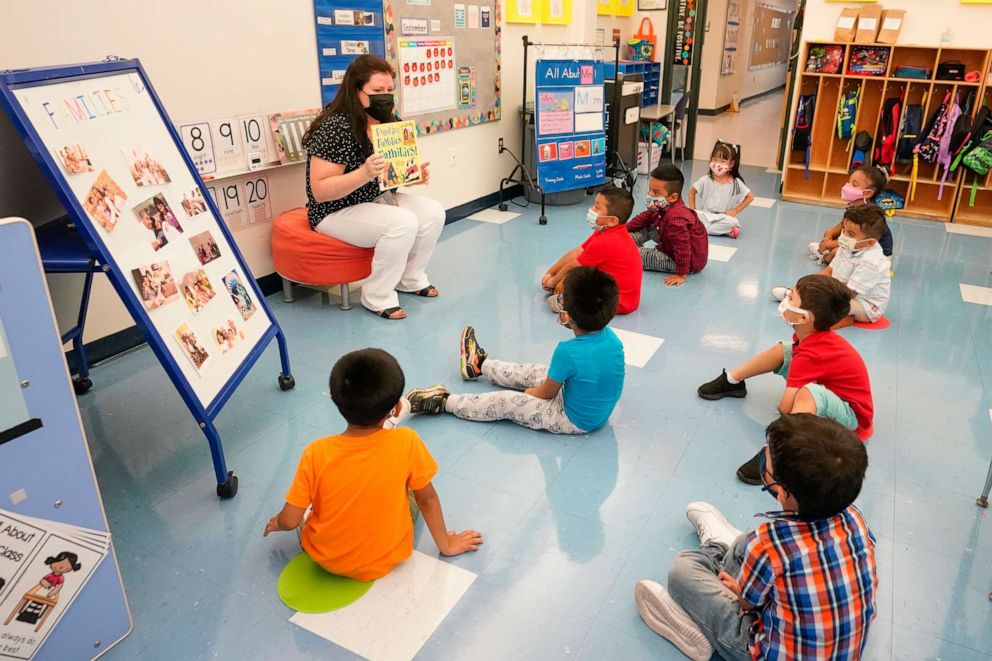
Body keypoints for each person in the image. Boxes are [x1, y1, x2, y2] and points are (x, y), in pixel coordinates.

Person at [634, 414, 877, 661]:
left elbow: (747, 603)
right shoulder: (855, 518)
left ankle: (698, 610)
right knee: (745, 543)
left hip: (763, 651)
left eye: (766, 459)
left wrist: (740, 589)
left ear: (782, 492)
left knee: (683, 570)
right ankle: (726, 549)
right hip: (839, 651)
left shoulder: (768, 544)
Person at [263, 349, 482, 581]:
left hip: (326, 559)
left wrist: (278, 521)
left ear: (336, 403)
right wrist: (446, 545)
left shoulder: (316, 453)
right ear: (396, 408)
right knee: (409, 490)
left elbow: (290, 520)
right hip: (387, 557)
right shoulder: (407, 442)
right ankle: (393, 424)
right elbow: (427, 499)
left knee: (314, 501)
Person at [303, 54, 445, 320]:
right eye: (377, 91)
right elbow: (321, 190)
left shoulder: (389, 120)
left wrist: (413, 174)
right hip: (335, 210)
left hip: (377, 199)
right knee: (402, 222)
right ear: (356, 91)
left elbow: (390, 174)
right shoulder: (335, 127)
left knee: (434, 212)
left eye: (389, 90)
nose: (385, 97)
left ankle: (411, 278)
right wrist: (364, 173)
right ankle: (377, 295)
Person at [405, 266, 625, 434]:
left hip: (570, 419)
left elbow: (546, 393)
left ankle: (446, 403)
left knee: (507, 402)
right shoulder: (614, 341)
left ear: (568, 315)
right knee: (538, 371)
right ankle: (479, 365)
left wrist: (531, 393)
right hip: (595, 413)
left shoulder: (567, 351)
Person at [697, 274, 873, 482]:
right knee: (785, 350)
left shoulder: (811, 353)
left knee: (810, 394)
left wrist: (797, 398)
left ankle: (779, 456)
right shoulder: (811, 335)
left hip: (853, 420)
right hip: (835, 394)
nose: (786, 299)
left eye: (791, 297)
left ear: (803, 318)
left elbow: (785, 408)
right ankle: (732, 381)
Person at [775, 205, 891, 328]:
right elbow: (830, 270)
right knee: (817, 294)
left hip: (865, 305)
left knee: (825, 304)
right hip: (842, 290)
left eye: (851, 234)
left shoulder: (871, 262)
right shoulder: (849, 246)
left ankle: (837, 318)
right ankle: (798, 297)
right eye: (844, 230)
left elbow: (849, 293)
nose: (844, 236)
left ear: (869, 243)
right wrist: (805, 286)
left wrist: (816, 296)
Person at [541, 185, 642, 315]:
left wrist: (553, 281)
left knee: (557, 296)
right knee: (566, 279)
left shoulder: (605, 242)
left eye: (597, 207)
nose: (591, 210)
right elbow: (578, 252)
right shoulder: (607, 231)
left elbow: (574, 265)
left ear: (611, 220)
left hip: (615, 302)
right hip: (617, 293)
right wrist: (551, 272)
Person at [627, 164, 708, 287]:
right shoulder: (663, 205)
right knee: (649, 225)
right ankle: (623, 241)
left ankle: (623, 248)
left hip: (685, 262)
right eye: (650, 189)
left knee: (629, 255)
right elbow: (645, 217)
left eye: (655, 192)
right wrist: (623, 229)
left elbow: (682, 248)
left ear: (673, 197)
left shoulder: (676, 219)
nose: (650, 194)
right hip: (669, 241)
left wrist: (681, 274)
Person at [809, 165, 893, 265]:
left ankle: (825, 257)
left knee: (836, 252)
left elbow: (855, 240)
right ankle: (828, 252)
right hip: (857, 242)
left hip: (875, 253)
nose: (847, 186)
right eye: (849, 182)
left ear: (868, 193)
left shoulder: (870, 214)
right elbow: (842, 225)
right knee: (829, 231)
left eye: (854, 185)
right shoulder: (854, 206)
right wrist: (828, 236)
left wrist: (829, 245)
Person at [687, 141, 754, 238]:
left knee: (732, 222)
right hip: (705, 215)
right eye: (715, 160)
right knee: (689, 216)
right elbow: (691, 192)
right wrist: (693, 210)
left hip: (723, 217)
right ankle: (722, 231)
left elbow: (750, 197)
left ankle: (701, 229)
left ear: (731, 164)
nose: (718, 164)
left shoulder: (735, 182)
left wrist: (735, 211)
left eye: (722, 161)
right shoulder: (705, 179)